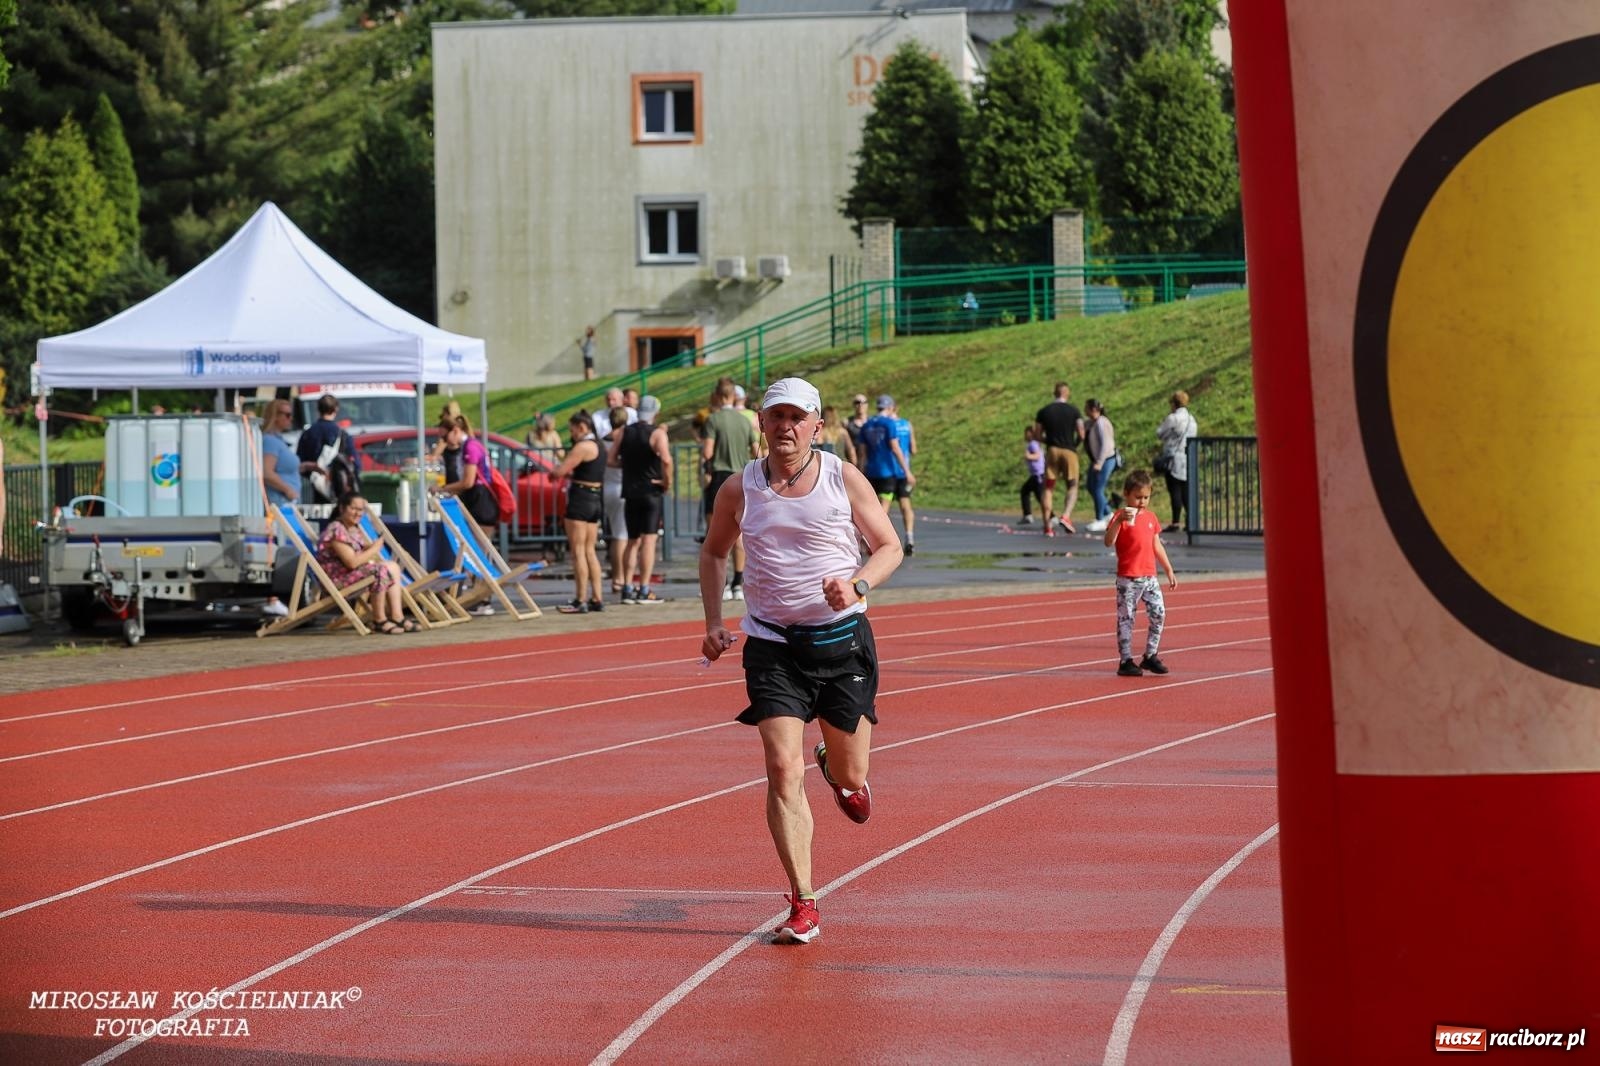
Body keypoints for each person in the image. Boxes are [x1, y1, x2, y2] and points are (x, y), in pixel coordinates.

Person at [698, 376, 904, 945]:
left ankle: (837, 770)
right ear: (761, 424)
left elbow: (889, 547)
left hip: (842, 641)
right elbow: (714, 553)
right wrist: (713, 621)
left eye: (797, 417)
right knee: (782, 768)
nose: (786, 426)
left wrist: (858, 585)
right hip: (772, 646)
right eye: (777, 416)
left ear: (816, 425)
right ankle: (804, 899)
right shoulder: (738, 488)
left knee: (853, 773)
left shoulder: (842, 477)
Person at [1102, 469, 1177, 677]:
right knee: (1126, 619)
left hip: (1150, 577)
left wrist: (1168, 569)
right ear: (1126, 494)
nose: (1142, 502)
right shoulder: (1120, 516)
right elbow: (1108, 541)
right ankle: (1125, 660)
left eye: (1146, 497)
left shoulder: (1151, 518)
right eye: (1138, 497)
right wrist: (1119, 521)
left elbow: (1156, 545)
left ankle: (1150, 655)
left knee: (1159, 613)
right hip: (1128, 579)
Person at [317, 491, 415, 633]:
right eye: (353, 508)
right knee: (379, 570)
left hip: (350, 575)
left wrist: (369, 547)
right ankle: (379, 620)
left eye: (361, 509)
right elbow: (352, 562)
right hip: (336, 581)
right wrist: (374, 549)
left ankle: (397, 617)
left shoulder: (352, 528)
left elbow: (356, 550)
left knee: (393, 567)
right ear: (342, 508)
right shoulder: (336, 530)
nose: (358, 513)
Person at [610, 395, 673, 604]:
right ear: (655, 412)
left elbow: (611, 459)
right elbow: (666, 460)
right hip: (650, 491)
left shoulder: (623, 432)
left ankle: (627, 587)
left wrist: (628, 466)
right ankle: (644, 588)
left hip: (630, 491)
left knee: (632, 541)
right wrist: (666, 482)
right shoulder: (657, 433)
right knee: (649, 540)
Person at [702, 378, 760, 600]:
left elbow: (708, 452)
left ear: (717, 395)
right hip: (741, 477)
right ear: (734, 396)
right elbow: (755, 449)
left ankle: (722, 583)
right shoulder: (744, 420)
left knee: (716, 534)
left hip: (719, 476)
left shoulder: (713, 419)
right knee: (739, 533)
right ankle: (738, 582)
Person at [552, 411, 606, 614]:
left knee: (578, 551)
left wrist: (554, 472)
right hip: (595, 498)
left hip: (581, 499)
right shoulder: (600, 446)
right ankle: (597, 597)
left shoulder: (583, 446)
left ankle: (580, 598)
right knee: (590, 550)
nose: (571, 434)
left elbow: (561, 470)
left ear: (582, 427)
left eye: (572, 430)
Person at [857, 395, 917, 555]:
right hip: (888, 471)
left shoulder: (867, 425)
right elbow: (895, 448)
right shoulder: (890, 423)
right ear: (890, 408)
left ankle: (866, 537)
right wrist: (907, 470)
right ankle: (875, 539)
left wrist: (860, 473)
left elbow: (862, 453)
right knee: (886, 507)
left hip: (871, 471)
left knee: (871, 506)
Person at [592, 389, 637, 597]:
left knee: (618, 534)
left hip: (609, 486)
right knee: (623, 536)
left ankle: (619, 577)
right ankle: (621, 579)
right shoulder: (625, 437)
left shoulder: (603, 438)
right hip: (622, 487)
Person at [258, 400, 300, 618]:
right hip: (278, 504)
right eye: (286, 414)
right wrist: (287, 489)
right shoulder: (270, 441)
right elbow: (266, 472)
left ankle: (277, 598)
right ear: (275, 416)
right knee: (278, 548)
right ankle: (273, 598)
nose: (290, 419)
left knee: (284, 548)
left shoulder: (278, 440)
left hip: (284, 504)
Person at [1034, 382, 1085, 536]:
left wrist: (1048, 441)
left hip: (1052, 451)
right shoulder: (1074, 411)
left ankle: (1047, 526)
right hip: (1069, 451)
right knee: (1072, 485)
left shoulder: (1044, 411)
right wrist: (1074, 444)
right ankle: (1066, 515)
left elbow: (1037, 435)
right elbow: (1081, 433)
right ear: (1067, 393)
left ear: (1054, 393)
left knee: (1048, 487)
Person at [436, 414, 500, 529]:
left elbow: (468, 482)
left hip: (481, 501)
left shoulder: (470, 447)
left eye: (445, 437)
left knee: (480, 539)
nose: (444, 442)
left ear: (455, 431)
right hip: (477, 499)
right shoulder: (468, 445)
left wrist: (442, 488)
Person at [296, 394, 359, 504]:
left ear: (318, 409)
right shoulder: (342, 435)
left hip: (312, 489)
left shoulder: (308, 433)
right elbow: (355, 464)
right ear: (336, 409)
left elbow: (299, 461)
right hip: (338, 488)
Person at [1155, 390, 1199, 533]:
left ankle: (1175, 522)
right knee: (1186, 489)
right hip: (1187, 457)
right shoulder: (1191, 419)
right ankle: (1190, 520)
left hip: (1173, 457)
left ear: (1174, 403)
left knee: (1174, 489)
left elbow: (1159, 433)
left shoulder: (1173, 418)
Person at [1083, 399, 1121, 533]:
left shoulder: (1102, 422)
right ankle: (1108, 514)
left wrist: (1100, 462)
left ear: (1093, 409)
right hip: (1096, 460)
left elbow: (1107, 444)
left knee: (1098, 488)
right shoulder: (1091, 423)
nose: (1084, 410)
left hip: (1106, 459)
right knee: (1090, 486)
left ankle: (1100, 519)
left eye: (1086, 407)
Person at [1018, 424, 1044, 525]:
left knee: (1040, 497)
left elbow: (1037, 456)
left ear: (1030, 434)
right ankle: (1027, 515)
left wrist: (1028, 456)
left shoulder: (1033, 444)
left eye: (1026, 433)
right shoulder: (1035, 443)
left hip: (1038, 474)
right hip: (1035, 474)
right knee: (1025, 491)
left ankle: (1051, 516)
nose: (1025, 435)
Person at [844, 393, 870, 464]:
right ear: (853, 405)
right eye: (857, 402)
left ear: (867, 405)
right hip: (854, 461)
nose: (860, 405)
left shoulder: (872, 422)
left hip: (870, 461)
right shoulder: (847, 423)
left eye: (863, 402)